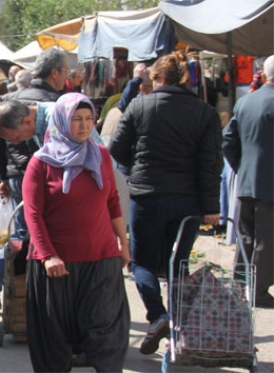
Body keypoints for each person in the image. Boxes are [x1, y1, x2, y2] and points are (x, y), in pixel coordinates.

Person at [109, 50, 222, 355]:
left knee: (143, 262)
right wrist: (212, 206)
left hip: (147, 196)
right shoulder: (204, 111)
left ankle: (158, 315)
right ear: (183, 77)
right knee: (178, 264)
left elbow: (115, 149)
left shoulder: (140, 105)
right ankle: (176, 328)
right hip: (188, 200)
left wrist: (141, 161)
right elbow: (211, 162)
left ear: (157, 78)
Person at [23, 92, 130, 372]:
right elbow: (32, 214)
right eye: (76, 120)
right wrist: (48, 256)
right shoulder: (41, 162)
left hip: (101, 256)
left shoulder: (101, 155)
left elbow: (112, 201)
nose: (84, 126)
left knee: (107, 330)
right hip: (58, 263)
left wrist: (123, 243)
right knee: (54, 339)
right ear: (60, 121)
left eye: (88, 119)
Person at [0, 47, 68, 309]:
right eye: (64, 72)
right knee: (31, 231)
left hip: (17, 174)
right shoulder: (55, 104)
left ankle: (6, 282)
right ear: (54, 72)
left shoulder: (13, 98)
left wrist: (4, 176)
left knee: (24, 231)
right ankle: (2, 280)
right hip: (41, 177)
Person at [222, 55, 274, 309]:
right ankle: (259, 292)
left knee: (246, 236)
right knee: (266, 239)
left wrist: (241, 169)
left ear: (264, 75)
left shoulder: (245, 103)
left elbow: (227, 142)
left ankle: (239, 284)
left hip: (246, 183)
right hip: (269, 186)